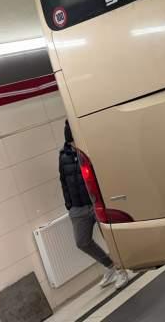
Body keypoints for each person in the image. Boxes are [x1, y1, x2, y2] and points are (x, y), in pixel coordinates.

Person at [59, 120, 129, 289]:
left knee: (110, 239)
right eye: (71, 141)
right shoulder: (63, 156)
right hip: (78, 208)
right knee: (82, 242)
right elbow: (63, 182)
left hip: (96, 203)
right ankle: (110, 266)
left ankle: (122, 271)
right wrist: (69, 205)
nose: (74, 144)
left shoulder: (90, 149)